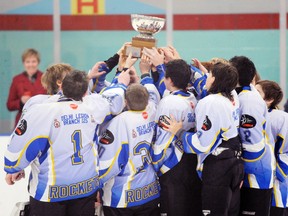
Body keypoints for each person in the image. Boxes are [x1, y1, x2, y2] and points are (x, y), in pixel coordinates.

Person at [4, 69, 130, 216]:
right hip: (85, 189)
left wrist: (13, 168)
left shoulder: (42, 110)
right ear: (85, 93)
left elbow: (17, 149)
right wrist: (121, 83)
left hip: (49, 193)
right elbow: (114, 100)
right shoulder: (94, 105)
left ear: (61, 87)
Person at [162, 62, 243, 216]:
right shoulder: (232, 96)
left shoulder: (210, 102)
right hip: (235, 163)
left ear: (215, 80)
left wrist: (179, 132)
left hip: (219, 166)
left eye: (210, 75)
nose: (207, 77)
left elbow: (202, 145)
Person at [98, 58, 161, 215]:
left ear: (125, 101)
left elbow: (110, 162)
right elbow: (152, 94)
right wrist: (143, 76)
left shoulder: (118, 122)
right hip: (149, 191)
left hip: (121, 197)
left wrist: (96, 185)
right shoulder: (152, 111)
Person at [148, 59, 201, 216]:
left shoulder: (169, 102)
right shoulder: (193, 98)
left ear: (169, 80)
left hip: (172, 163)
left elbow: (162, 139)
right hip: (191, 159)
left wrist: (156, 165)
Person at [230, 56, 274, 216]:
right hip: (247, 169)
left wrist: (237, 169)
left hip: (256, 171)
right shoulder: (241, 94)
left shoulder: (249, 101)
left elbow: (253, 147)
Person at [255, 80, 288, 216]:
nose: (252, 96)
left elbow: (284, 152)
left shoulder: (281, 118)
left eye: (257, 93)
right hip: (258, 180)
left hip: (277, 183)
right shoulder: (252, 114)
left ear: (269, 99)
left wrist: (277, 174)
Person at [6, 48, 46, 126]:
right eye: (27, 62)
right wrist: (21, 102)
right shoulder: (16, 80)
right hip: (22, 122)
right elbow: (9, 105)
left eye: (33, 61)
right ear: (23, 63)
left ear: (38, 62)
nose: (31, 65)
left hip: (41, 120)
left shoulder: (45, 78)